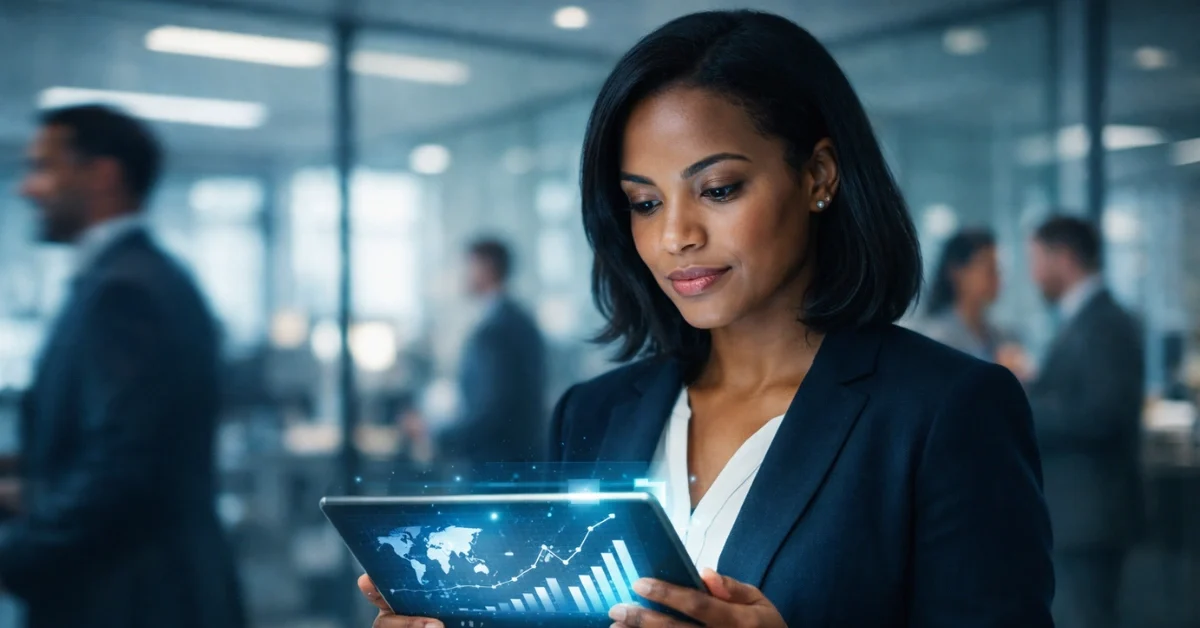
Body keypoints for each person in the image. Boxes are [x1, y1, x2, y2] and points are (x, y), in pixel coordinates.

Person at [359, 10, 1053, 627]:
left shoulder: (944, 412)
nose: (675, 236)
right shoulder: (592, 414)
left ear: (819, 176)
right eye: (645, 202)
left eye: (717, 189)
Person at [1, 105, 245, 628]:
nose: (28, 189)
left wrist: (17, 554)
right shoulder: (132, 278)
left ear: (102, 174)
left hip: (128, 596)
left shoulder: (125, 290)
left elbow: (123, 468)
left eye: (43, 168)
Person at [1023, 215, 1144, 628]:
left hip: (1088, 518)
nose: (1033, 273)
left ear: (1064, 258)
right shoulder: (1083, 320)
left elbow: (1101, 412)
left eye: (1037, 259)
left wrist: (1019, 402)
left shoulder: (1106, 323)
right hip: (1078, 516)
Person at [430, 238, 547, 467]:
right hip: (514, 459)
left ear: (486, 268)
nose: (462, 275)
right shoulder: (517, 320)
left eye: (467, 266)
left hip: (496, 463)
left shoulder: (496, 330)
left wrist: (438, 437)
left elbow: (492, 410)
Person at [916, 228, 1008, 359]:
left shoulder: (1001, 336)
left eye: (998, 269)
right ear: (957, 272)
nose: (996, 278)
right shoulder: (937, 338)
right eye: (988, 268)